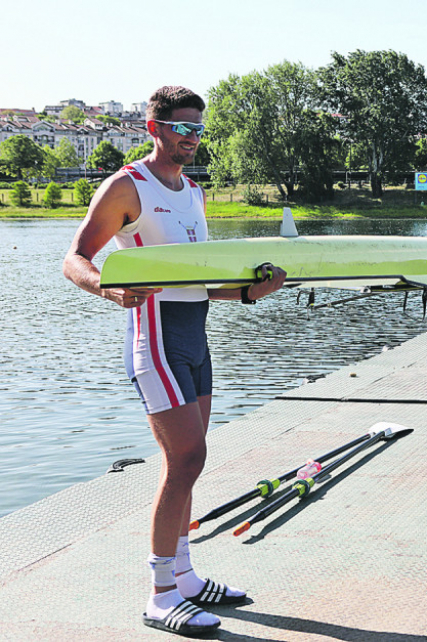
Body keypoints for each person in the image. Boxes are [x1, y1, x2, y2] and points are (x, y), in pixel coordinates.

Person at [62, 86, 287, 637]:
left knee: (194, 460)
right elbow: (75, 259)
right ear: (153, 127)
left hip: (194, 338)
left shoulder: (194, 193)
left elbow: (196, 284)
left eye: (198, 129)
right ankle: (161, 594)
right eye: (181, 127)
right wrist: (108, 290)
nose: (191, 138)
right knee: (183, 460)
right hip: (154, 341)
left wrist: (248, 292)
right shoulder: (126, 186)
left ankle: (185, 577)